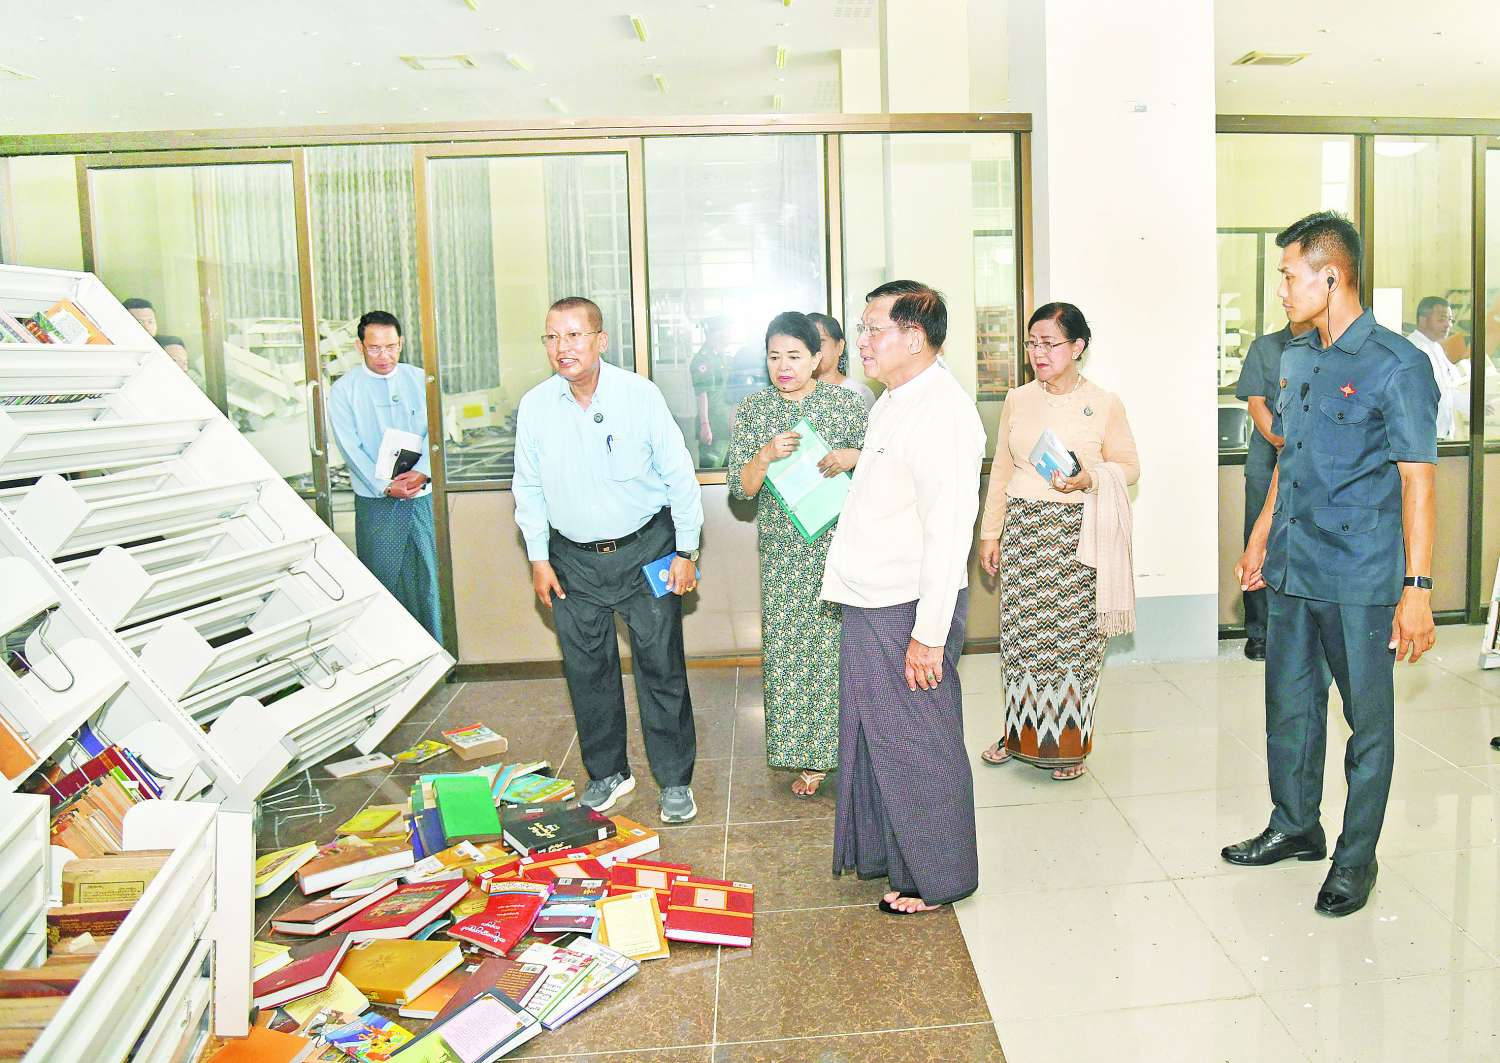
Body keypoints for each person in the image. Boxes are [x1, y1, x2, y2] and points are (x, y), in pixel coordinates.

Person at [1225, 211, 1438, 918]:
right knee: (1289, 706)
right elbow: (1289, 458)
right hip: (1293, 565)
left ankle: (1355, 859)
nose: (1282, 289)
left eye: (1290, 276)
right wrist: (1260, 538)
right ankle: (1296, 825)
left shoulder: (1397, 365)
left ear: (1332, 277)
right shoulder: (1295, 358)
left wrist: (1417, 589)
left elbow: (1418, 480)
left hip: (1358, 574)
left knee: (1367, 723)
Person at [822, 280, 984, 915]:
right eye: (861, 328)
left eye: (872, 329)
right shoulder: (893, 400)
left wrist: (928, 635)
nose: (860, 341)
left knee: (921, 744)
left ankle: (940, 878)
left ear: (914, 338)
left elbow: (949, 535)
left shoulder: (944, 413)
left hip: (909, 609)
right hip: (872, 600)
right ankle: (895, 857)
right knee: (878, 738)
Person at [513, 296, 704, 825]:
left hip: (647, 551)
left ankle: (674, 780)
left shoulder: (639, 395)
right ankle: (608, 773)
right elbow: (528, 488)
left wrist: (685, 549)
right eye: (552, 337)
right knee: (587, 670)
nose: (562, 347)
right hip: (572, 560)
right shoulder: (535, 406)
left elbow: (679, 474)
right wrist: (538, 558)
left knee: (660, 666)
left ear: (600, 340)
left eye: (574, 335)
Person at [976, 303, 1140, 781]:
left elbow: (1130, 466)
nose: (1038, 353)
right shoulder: (1018, 399)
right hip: (1025, 532)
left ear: (1077, 347)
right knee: (1022, 640)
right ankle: (1018, 735)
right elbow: (1001, 470)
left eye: (1049, 344)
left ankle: (1069, 745)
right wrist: (990, 532)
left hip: (1077, 537)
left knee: (1072, 644)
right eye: (1032, 344)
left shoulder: (1104, 403)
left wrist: (1091, 477)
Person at [727, 311, 867, 797]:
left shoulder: (845, 406)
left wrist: (852, 458)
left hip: (839, 546)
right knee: (789, 651)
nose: (783, 367)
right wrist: (764, 456)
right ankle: (806, 755)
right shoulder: (754, 411)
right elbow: (741, 490)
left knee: (838, 651)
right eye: (774, 357)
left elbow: (885, 469)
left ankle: (847, 750)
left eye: (794, 356)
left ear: (816, 358)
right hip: (784, 553)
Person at [326, 311, 442, 641]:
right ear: (359, 346)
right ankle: (391, 653)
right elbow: (349, 446)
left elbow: (436, 431)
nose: (384, 356)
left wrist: (422, 473)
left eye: (391, 347)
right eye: (375, 348)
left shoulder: (420, 380)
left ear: (401, 343)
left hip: (419, 497)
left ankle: (433, 651)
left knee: (427, 579)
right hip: (377, 503)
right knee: (383, 580)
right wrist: (385, 486)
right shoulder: (345, 390)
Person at [1233, 320, 1312, 660]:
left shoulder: (1328, 348)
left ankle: (1300, 630)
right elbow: (1256, 404)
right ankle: (1259, 632)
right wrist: (1285, 442)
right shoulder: (1265, 348)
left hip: (1312, 463)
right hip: (1268, 462)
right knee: (1258, 541)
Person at [1405, 296, 1465, 441]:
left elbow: (1448, 389)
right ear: (1423, 320)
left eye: (1450, 320)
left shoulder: (1436, 347)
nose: (1448, 325)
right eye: (1442, 319)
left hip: (1441, 435)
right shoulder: (1412, 348)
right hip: (1422, 437)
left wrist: (1476, 405)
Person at [690, 317, 736, 468]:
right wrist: (705, 426)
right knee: (711, 471)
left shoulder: (721, 357)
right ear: (715, 334)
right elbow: (701, 394)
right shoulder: (703, 360)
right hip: (714, 427)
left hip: (725, 424)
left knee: (728, 472)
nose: (729, 336)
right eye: (726, 332)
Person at [808, 312, 876, 410]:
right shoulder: (791, 393)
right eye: (806, 343)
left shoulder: (858, 393)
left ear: (840, 346)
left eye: (820, 341)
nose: (812, 349)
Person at [123, 297, 194, 379]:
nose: (147, 327)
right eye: (139, 323)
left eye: (150, 321)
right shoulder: (121, 351)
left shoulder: (168, 345)